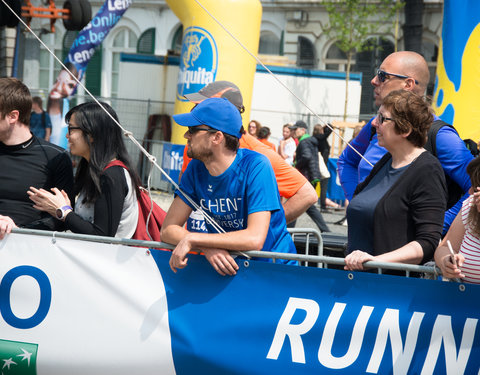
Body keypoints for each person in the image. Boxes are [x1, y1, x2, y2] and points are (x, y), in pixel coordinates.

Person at [337, 51, 473, 235]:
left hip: (414, 256)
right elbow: (347, 160)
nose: (374, 81)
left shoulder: (439, 134)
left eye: (383, 75)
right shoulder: (376, 123)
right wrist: (358, 205)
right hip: (366, 245)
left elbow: (476, 187)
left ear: (408, 84)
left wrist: (437, 228)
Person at [161, 98, 297, 276]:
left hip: (274, 270)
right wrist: (207, 247)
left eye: (193, 130)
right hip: (231, 268)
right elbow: (167, 229)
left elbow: (254, 238)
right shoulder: (195, 168)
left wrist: (193, 238)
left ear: (217, 137)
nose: (187, 135)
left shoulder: (256, 165)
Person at [180, 81, 317, 226]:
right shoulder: (196, 144)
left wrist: (264, 228)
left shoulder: (257, 154)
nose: (193, 110)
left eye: (200, 106)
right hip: (197, 245)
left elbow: (307, 194)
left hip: (239, 246)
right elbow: (184, 194)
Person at [344, 90, 447, 271]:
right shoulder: (386, 162)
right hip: (358, 284)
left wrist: (375, 260)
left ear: (405, 129)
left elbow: (427, 242)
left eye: (383, 119)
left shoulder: (427, 170)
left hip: (390, 288)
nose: (375, 123)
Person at [27, 102, 141, 238]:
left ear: (91, 134)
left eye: (71, 129)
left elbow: (102, 235)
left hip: (106, 257)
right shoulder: (91, 169)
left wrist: (64, 212)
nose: (67, 136)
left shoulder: (112, 175)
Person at [0, 78, 74, 239]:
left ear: (12, 116)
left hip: (29, 254)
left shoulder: (56, 157)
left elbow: (63, 217)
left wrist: (19, 230)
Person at [434, 157, 480, 284]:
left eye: (476, 188)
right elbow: (443, 247)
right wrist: (446, 261)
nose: (470, 192)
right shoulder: (470, 205)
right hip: (464, 300)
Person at [290, 120, 330, 232]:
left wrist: (296, 165)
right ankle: (325, 230)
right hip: (310, 176)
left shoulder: (304, 142)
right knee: (306, 205)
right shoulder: (308, 140)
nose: (294, 131)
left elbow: (306, 156)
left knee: (298, 203)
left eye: (296, 129)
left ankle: (288, 229)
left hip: (305, 176)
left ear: (303, 130)